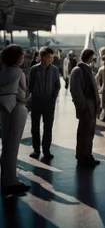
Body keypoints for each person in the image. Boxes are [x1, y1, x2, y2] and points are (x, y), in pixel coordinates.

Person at [0, 45, 30, 196]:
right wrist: (28, 99)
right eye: (22, 56)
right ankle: (11, 181)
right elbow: (21, 94)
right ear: (16, 58)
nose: (23, 58)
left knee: (6, 145)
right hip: (17, 109)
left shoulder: (2, 71)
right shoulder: (19, 73)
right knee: (13, 146)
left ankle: (5, 178)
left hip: (3, 109)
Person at [69, 49, 101, 168]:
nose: (93, 59)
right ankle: (82, 156)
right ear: (88, 57)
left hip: (91, 106)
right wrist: (82, 106)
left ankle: (87, 154)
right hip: (87, 106)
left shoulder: (86, 70)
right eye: (92, 57)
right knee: (84, 133)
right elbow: (76, 91)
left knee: (89, 133)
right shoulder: (78, 71)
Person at [28, 47, 61, 160]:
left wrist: (53, 98)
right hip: (36, 102)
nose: (51, 59)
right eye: (49, 57)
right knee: (35, 127)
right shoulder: (34, 70)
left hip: (49, 103)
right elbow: (30, 86)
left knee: (48, 127)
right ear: (42, 57)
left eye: (52, 57)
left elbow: (57, 85)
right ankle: (36, 150)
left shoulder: (55, 70)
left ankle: (46, 150)